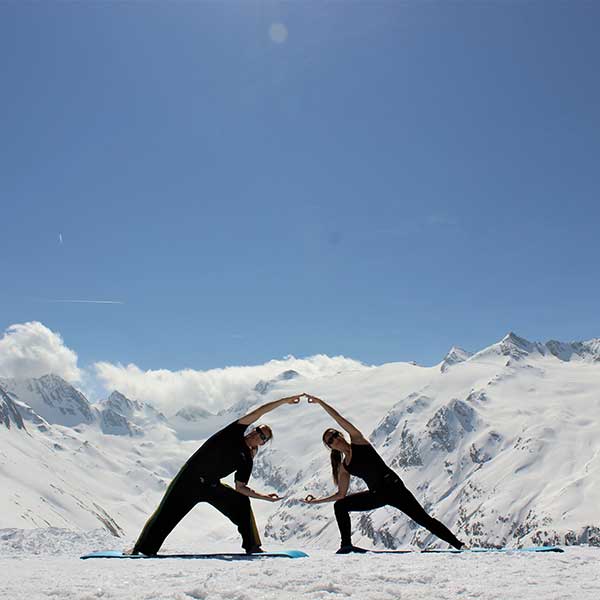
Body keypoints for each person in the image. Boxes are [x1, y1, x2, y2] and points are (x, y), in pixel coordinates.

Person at [131, 394, 301, 555]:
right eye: (257, 430)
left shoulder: (247, 460)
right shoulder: (233, 432)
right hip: (189, 479)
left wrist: (264, 497)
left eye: (262, 436)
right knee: (165, 515)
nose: (257, 434)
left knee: (241, 503)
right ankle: (141, 549)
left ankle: (253, 546)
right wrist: (285, 401)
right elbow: (258, 412)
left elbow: (240, 488)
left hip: (211, 485)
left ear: (263, 443)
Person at [302, 393, 464, 553]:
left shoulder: (358, 440)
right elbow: (341, 494)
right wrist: (316, 501)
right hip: (377, 494)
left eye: (335, 435)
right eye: (330, 441)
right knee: (340, 506)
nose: (334, 440)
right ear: (330, 447)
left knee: (424, 520)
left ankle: (459, 545)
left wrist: (320, 402)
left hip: (394, 488)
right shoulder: (344, 467)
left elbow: (338, 418)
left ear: (341, 434)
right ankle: (346, 546)